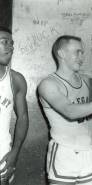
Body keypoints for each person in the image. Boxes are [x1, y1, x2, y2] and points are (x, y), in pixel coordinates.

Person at [38, 35, 92, 185]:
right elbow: (70, 111)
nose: (82, 57)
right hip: (64, 152)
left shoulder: (84, 81)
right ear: (61, 53)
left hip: (88, 152)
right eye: (77, 52)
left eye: (82, 52)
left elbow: (87, 115)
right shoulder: (48, 84)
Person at [0, 26, 29, 185]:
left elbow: (23, 117)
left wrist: (15, 152)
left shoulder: (16, 80)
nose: (10, 47)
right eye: (4, 42)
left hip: (2, 152)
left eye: (11, 43)